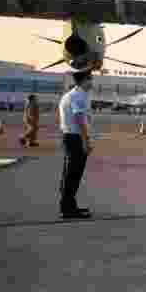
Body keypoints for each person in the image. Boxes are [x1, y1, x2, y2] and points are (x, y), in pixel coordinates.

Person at [58, 69, 94, 219]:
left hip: (71, 137)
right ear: (84, 80)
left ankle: (70, 206)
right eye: (90, 79)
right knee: (73, 174)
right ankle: (67, 208)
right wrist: (86, 142)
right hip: (75, 138)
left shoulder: (72, 94)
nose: (92, 82)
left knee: (71, 174)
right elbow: (79, 119)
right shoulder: (77, 96)